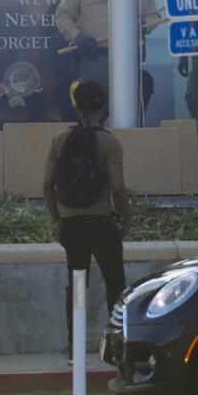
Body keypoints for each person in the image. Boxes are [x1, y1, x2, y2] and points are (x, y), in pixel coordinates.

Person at [42, 80, 131, 362]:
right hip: (101, 223)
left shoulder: (60, 139)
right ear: (103, 106)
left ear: (76, 106)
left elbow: (47, 184)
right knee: (115, 283)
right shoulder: (109, 142)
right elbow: (117, 187)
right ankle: (118, 344)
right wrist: (126, 220)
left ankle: (74, 343)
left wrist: (57, 218)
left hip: (71, 224)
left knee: (77, 282)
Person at [54, 0, 160, 112]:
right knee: (93, 108)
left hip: (128, 59)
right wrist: (77, 37)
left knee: (134, 103)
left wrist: (143, 27)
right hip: (94, 58)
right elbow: (62, 16)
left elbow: (153, 16)